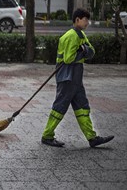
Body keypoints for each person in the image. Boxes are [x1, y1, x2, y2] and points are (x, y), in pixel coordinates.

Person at [41, 8, 114, 148]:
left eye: (88, 19)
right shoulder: (71, 36)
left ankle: (92, 137)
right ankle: (47, 135)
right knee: (60, 106)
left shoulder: (81, 35)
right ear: (77, 20)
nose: (87, 22)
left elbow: (91, 51)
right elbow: (69, 59)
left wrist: (84, 50)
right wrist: (83, 51)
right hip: (67, 77)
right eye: (85, 19)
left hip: (75, 77)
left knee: (82, 107)